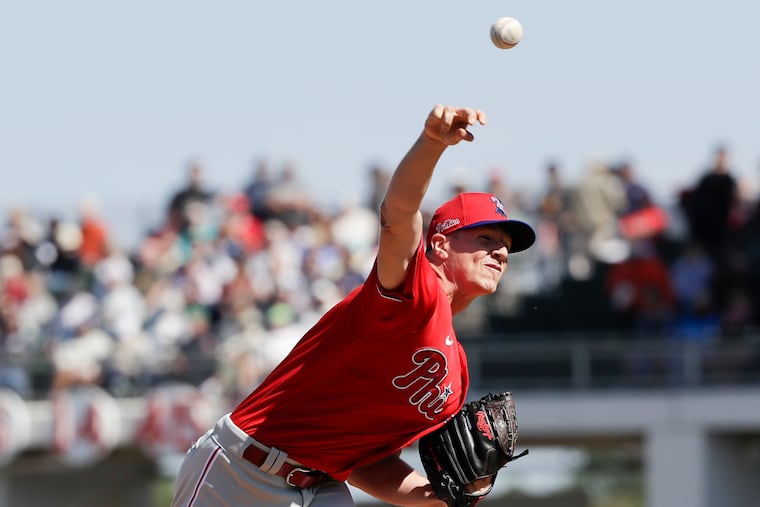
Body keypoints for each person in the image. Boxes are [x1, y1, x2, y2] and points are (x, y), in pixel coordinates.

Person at [170, 104, 536, 507]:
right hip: (242, 472)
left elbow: (369, 465)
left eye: (506, 246)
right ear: (440, 244)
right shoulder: (413, 293)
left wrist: (446, 497)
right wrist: (431, 145)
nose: (501, 251)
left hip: (321, 486)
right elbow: (398, 215)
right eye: (486, 239)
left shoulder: (456, 380)